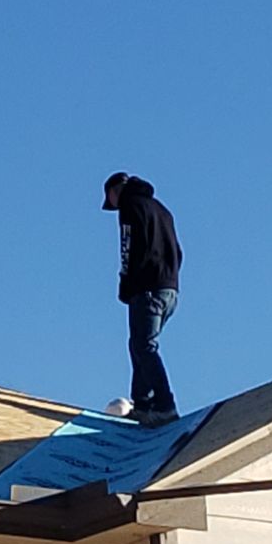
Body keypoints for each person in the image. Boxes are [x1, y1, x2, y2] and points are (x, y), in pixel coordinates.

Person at [102, 172, 182, 426]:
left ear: (115, 191)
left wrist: (126, 284)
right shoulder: (162, 210)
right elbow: (177, 252)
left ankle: (164, 405)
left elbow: (128, 248)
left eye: (111, 199)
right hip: (169, 289)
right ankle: (143, 403)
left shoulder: (130, 206)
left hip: (146, 289)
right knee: (139, 344)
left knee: (144, 346)